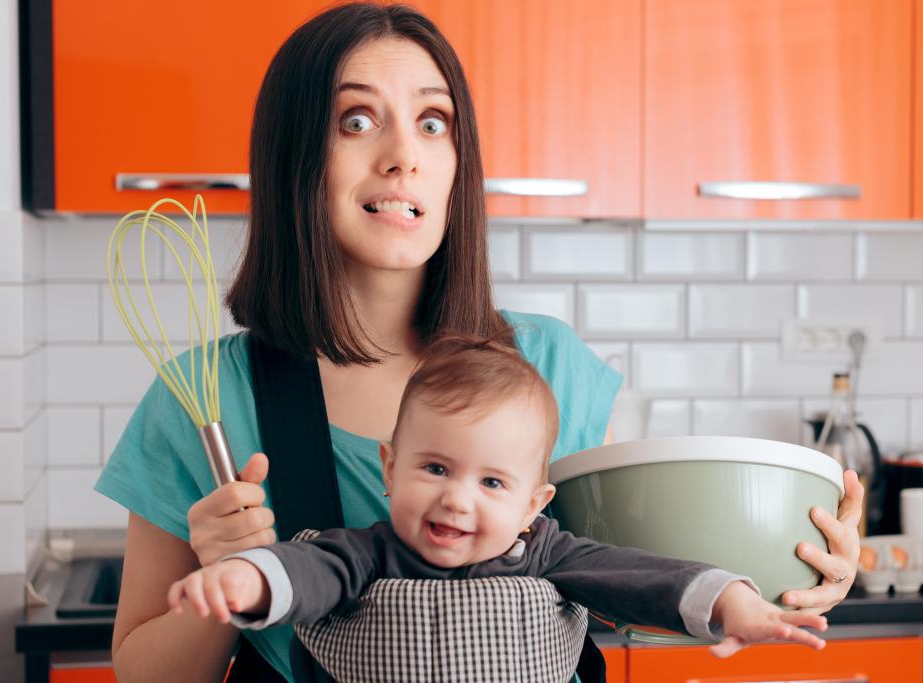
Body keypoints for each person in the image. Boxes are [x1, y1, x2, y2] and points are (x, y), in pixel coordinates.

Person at [96, 3, 865, 682]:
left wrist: (790, 574)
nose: (406, 155)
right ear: (294, 155)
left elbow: (620, 580)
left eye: (434, 122)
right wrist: (225, 579)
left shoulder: (548, 364)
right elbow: (148, 672)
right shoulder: (204, 400)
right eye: (356, 120)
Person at [167, 335, 829, 682]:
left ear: (534, 505)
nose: (457, 497)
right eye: (434, 468)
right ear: (389, 467)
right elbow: (302, 571)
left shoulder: (548, 551)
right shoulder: (362, 552)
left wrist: (732, 602)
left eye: (492, 483)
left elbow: (642, 576)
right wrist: (243, 577)